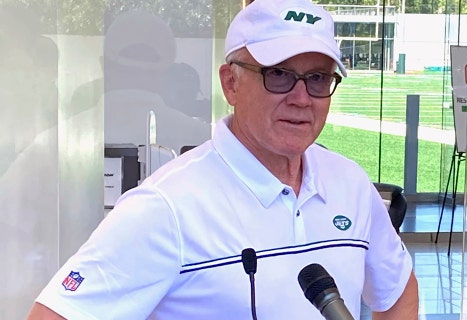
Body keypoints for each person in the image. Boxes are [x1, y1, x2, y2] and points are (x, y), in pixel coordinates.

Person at [26, 0, 419, 319]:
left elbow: (398, 291)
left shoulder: (349, 183)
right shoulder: (167, 206)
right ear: (231, 82)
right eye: (278, 74)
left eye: (318, 78)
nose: (301, 98)